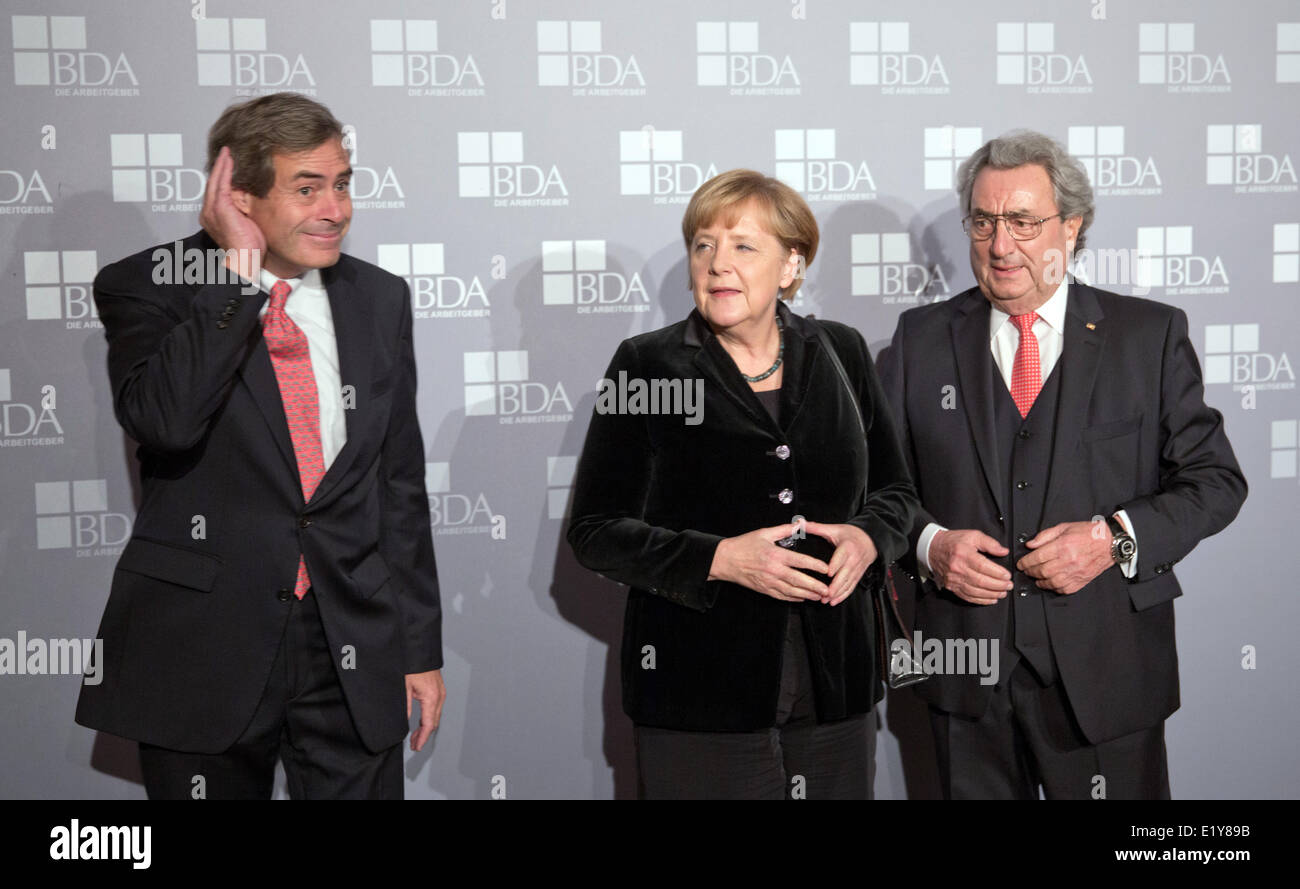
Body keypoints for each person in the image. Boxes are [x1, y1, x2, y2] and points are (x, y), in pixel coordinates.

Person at [75, 93, 445, 799]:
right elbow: (165, 420)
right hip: (204, 644)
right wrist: (239, 279)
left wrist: (416, 649)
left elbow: (398, 484)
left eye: (342, 183)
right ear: (237, 195)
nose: (335, 208)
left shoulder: (380, 298)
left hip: (350, 642)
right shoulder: (150, 285)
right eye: (307, 188)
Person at [876, 130, 1247, 799]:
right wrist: (931, 546)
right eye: (983, 221)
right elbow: (879, 490)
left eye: (1022, 221)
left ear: (1071, 227)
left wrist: (1114, 537)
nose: (999, 244)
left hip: (1108, 678)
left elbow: (1215, 480)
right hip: (963, 677)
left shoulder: (1147, 337)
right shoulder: (919, 341)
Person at [567, 169, 917, 799]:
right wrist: (721, 558)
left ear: (792, 264)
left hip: (836, 682)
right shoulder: (647, 365)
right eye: (704, 245)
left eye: (743, 246)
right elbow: (595, 533)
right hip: (700, 691)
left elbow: (896, 494)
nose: (718, 264)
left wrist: (869, 540)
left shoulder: (841, 350)